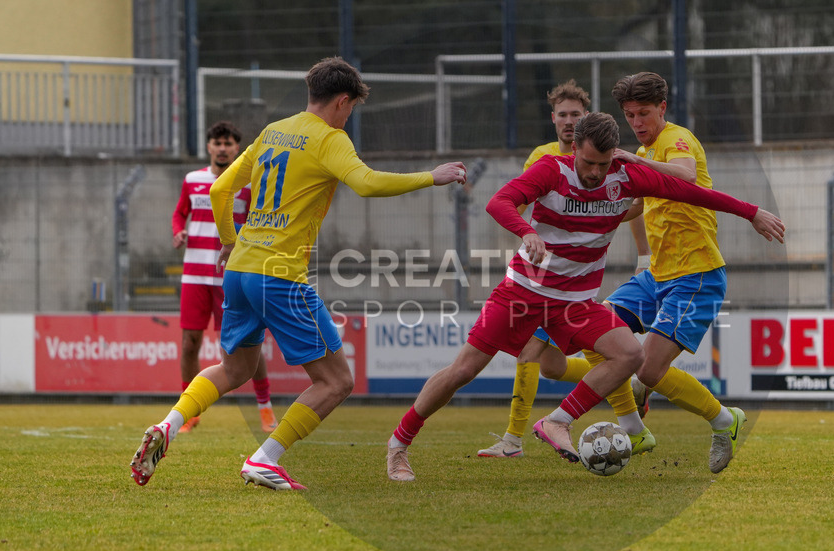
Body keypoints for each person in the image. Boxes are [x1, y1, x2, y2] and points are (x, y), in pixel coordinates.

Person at [387, 112, 784, 481]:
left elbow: (692, 193)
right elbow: (499, 202)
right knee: (463, 371)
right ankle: (399, 445)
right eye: (589, 162)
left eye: (603, 163)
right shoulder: (551, 170)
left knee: (630, 354)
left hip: (575, 304)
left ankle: (560, 421)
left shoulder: (626, 176)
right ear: (574, 148)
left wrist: (751, 213)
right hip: (523, 293)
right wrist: (526, 232)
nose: (596, 173)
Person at [130, 56, 467, 490]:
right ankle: (264, 459)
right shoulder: (330, 139)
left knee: (235, 369)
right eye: (351, 109)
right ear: (342, 102)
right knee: (335, 381)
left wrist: (230, 241)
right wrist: (431, 177)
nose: (349, 117)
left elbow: (219, 189)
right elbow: (365, 183)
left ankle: (168, 425)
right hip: (280, 275)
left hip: (240, 270)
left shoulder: (273, 131)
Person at [477, 80, 651, 459]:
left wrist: (641, 254)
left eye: (576, 114)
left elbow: (630, 206)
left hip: (576, 283)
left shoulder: (610, 161)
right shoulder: (542, 159)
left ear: (586, 120)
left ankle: (514, 439)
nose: (569, 120)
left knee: (534, 355)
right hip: (538, 276)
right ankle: (632, 411)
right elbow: (521, 206)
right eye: (563, 114)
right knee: (554, 367)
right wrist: (528, 245)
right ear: (553, 119)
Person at [608, 71, 754, 473]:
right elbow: (642, 204)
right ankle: (634, 425)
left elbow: (687, 176)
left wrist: (633, 160)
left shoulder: (675, 140)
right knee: (598, 328)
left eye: (643, 113)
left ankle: (727, 421)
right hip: (657, 274)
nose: (636, 123)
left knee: (650, 368)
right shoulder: (649, 150)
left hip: (696, 275)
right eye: (629, 115)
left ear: (662, 109)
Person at [172, 121, 278, 434]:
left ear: (237, 148)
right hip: (194, 275)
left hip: (232, 276)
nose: (222, 148)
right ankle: (188, 414)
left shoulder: (248, 183)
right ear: (209, 147)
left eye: (228, 143)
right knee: (190, 343)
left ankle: (265, 408)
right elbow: (180, 212)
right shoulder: (193, 180)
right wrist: (178, 231)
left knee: (247, 343)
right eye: (217, 142)